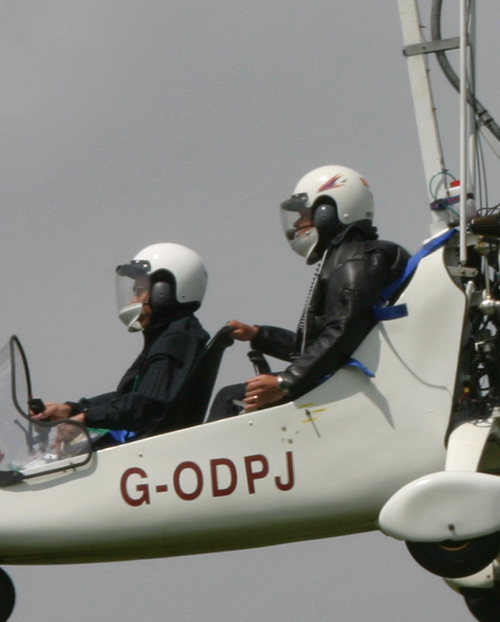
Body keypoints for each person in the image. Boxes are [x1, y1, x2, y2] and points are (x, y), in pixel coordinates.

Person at [212, 166, 410, 417]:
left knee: (230, 398)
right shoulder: (346, 257)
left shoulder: (352, 260)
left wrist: (285, 382)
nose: (297, 223)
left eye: (304, 214)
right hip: (338, 376)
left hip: (346, 382)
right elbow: (314, 346)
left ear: (327, 212)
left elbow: (344, 330)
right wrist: (258, 335)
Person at [35, 242, 210, 443]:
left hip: (151, 451)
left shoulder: (176, 340)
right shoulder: (169, 335)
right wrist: (72, 409)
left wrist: (87, 418)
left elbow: (146, 406)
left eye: (139, 290)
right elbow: (127, 397)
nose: (132, 301)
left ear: (164, 292)